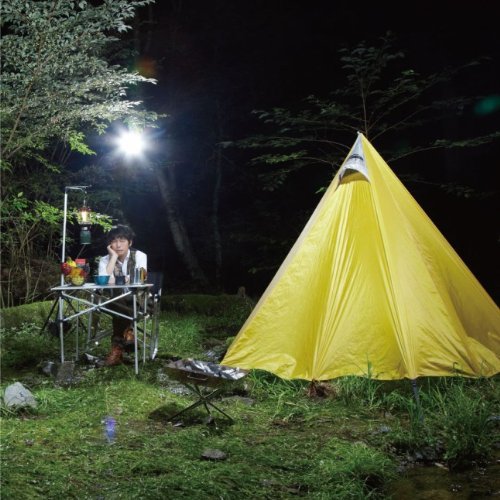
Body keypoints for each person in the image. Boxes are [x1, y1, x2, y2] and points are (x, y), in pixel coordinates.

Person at [98, 225, 147, 366]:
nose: (118, 245)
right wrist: (113, 258)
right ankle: (129, 333)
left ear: (130, 242)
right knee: (117, 302)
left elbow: (140, 279)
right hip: (113, 302)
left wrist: (116, 280)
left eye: (122, 240)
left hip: (138, 301)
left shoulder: (139, 256)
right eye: (114, 241)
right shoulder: (105, 260)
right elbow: (103, 282)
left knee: (119, 309)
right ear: (110, 244)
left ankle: (116, 350)